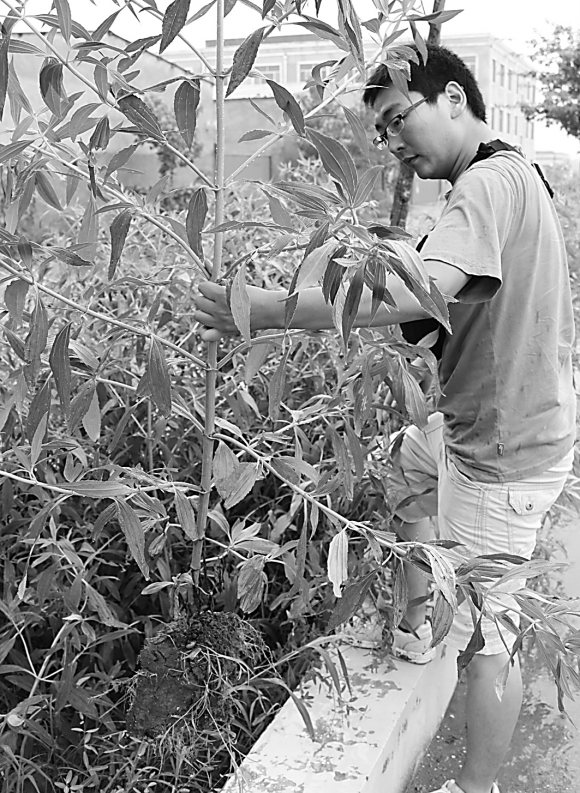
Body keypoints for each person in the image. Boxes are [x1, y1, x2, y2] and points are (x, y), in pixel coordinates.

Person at [193, 45, 576, 793]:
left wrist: (272, 310)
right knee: (404, 466)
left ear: (455, 99)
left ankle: (475, 788)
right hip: (495, 427)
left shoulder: (487, 183)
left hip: (501, 452)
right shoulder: (509, 173)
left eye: (399, 117)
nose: (392, 140)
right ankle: (415, 622)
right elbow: (444, 301)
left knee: (492, 631)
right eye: (381, 130)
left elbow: (423, 289)